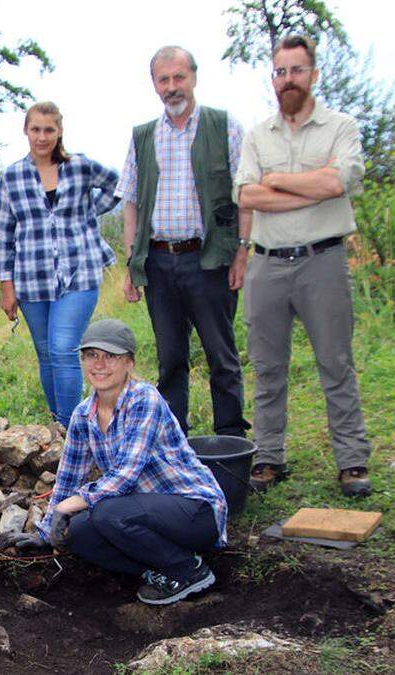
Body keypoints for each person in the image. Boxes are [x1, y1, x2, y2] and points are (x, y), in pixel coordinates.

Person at [0, 319, 227, 606]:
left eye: (111, 356)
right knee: (78, 534)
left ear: (129, 363)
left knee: (106, 513)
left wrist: (68, 506)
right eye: (92, 355)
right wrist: (46, 533)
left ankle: (187, 569)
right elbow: (69, 478)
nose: (100, 364)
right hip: (143, 516)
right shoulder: (83, 415)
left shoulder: (144, 398)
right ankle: (160, 569)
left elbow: (125, 476)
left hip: (193, 511)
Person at [235, 35, 372, 498]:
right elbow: (247, 195)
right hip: (267, 266)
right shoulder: (258, 135)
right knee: (268, 368)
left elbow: (339, 182)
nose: (287, 79)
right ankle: (269, 456)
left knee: (336, 363)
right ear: (272, 78)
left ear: (312, 75)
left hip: (323, 261)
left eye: (296, 70)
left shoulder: (341, 127)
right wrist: (308, 186)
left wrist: (276, 181)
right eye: (280, 71)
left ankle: (352, 460)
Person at [116, 45, 252, 439]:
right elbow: (131, 203)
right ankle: (173, 440)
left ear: (193, 77)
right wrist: (131, 263)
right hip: (159, 261)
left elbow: (246, 194)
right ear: (154, 84)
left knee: (220, 355)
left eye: (179, 77)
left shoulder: (223, 125)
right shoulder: (143, 136)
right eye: (164, 79)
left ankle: (230, 439)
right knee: (171, 359)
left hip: (209, 259)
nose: (172, 87)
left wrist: (242, 252)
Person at [0, 101, 120, 426]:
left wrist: (89, 211)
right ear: (26, 130)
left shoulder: (79, 166)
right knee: (46, 353)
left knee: (64, 348)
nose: (42, 137)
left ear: (59, 131)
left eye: (49, 129)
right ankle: (56, 426)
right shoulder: (11, 176)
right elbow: (4, 234)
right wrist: (6, 286)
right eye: (35, 129)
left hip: (79, 272)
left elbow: (120, 185)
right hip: (31, 277)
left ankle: (70, 430)